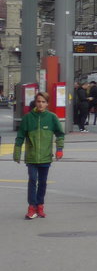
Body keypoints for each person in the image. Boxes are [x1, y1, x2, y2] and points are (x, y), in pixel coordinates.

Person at [13, 91, 65, 219]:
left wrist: (59, 149)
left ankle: (40, 206)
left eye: (43, 102)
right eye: (38, 101)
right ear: (35, 102)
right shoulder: (27, 118)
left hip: (45, 157)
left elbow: (60, 134)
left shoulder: (52, 117)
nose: (41, 104)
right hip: (31, 157)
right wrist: (17, 152)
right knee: (32, 180)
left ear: (47, 104)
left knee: (42, 182)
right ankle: (31, 207)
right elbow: (20, 136)